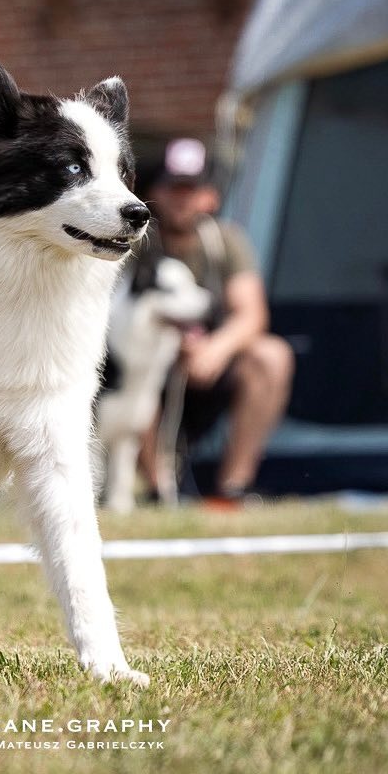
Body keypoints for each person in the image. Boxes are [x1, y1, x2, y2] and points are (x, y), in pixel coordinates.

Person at [143, 137, 294, 501]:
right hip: (151, 367)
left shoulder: (226, 241)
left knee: (272, 355)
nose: (182, 199)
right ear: (153, 193)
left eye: (190, 189)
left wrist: (216, 349)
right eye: (172, 188)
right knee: (130, 374)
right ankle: (158, 489)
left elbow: (252, 313)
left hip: (208, 368)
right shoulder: (138, 245)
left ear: (210, 196)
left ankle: (233, 490)